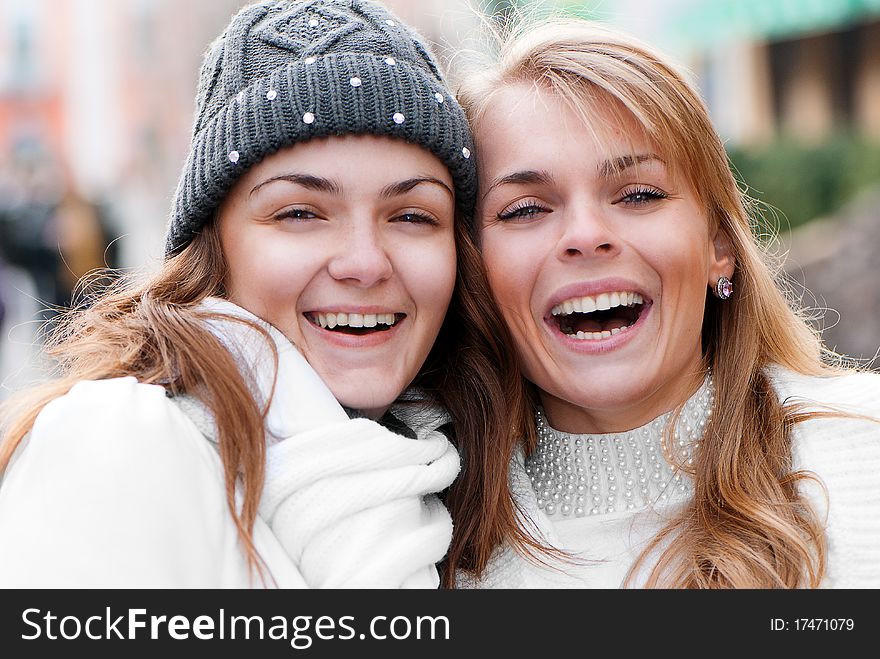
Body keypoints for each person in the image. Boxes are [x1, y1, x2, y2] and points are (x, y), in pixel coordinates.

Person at [0, 0, 515, 589]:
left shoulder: (457, 484)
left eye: (412, 216)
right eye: (300, 213)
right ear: (214, 243)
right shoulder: (116, 447)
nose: (365, 262)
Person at [450, 17, 880, 588]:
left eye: (639, 195)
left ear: (718, 246)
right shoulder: (423, 529)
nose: (585, 234)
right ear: (474, 268)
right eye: (526, 208)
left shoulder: (863, 448)